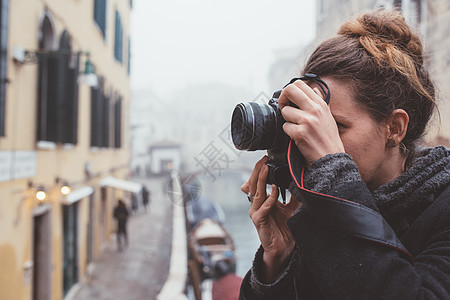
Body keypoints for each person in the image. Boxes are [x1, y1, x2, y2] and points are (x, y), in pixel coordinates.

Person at [239, 9, 450, 299]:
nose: (313, 141)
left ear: (394, 128)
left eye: (335, 126)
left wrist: (334, 176)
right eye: (310, 125)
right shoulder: (316, 211)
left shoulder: (442, 209)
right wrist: (277, 260)